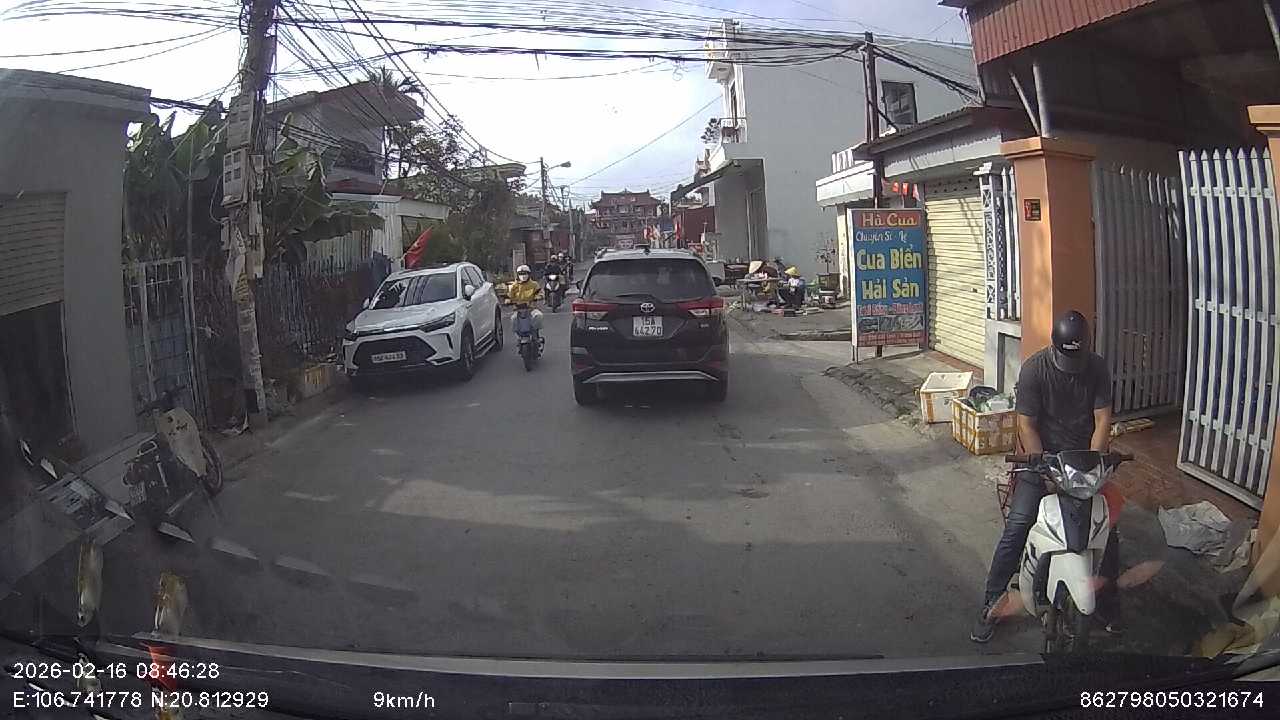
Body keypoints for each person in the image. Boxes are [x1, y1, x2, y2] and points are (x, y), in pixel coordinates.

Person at [970, 309, 1120, 643]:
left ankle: (1109, 603)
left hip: (1082, 463)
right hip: (1043, 458)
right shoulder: (1034, 369)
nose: (1072, 367)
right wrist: (1040, 463)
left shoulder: (1097, 368)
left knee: (1107, 527)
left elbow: (1102, 420)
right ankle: (992, 600)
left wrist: (1094, 461)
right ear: (1054, 347)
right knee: (1020, 522)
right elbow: (1026, 424)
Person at [506, 265, 544, 336]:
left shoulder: (534, 284)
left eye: (525, 273)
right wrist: (508, 300)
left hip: (531, 309)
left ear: (529, 274)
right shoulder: (513, 286)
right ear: (517, 275)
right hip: (518, 310)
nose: (523, 276)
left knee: (538, 316)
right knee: (513, 319)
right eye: (520, 274)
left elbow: (540, 293)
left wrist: (538, 297)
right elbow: (509, 296)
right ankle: (518, 336)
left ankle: (535, 333)